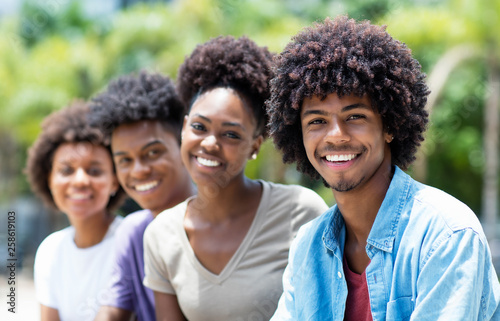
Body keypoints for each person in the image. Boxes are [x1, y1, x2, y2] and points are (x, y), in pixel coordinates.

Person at [266, 15, 500, 320]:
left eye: (355, 117)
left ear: (389, 126)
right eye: (317, 121)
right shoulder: (308, 247)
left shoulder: (446, 234)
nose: (335, 135)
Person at [142, 35, 328, 321]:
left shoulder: (300, 212)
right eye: (199, 127)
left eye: (231, 134)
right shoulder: (161, 234)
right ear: (183, 129)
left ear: (255, 144)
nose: (209, 144)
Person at [88, 71, 196, 321]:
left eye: (152, 153)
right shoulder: (134, 232)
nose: (138, 170)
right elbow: (112, 310)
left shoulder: (223, 219)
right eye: (124, 160)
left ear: (183, 143)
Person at [26, 101, 127, 321]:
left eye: (94, 170)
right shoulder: (50, 251)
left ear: (115, 181)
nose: (80, 180)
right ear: (49, 180)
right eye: (66, 170)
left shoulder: (132, 240)